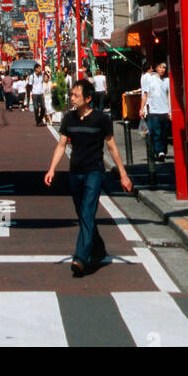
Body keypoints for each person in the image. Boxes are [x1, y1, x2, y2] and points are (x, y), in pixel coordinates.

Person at [44, 77, 133, 276]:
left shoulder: (101, 119)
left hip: (94, 172)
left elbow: (111, 147)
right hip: (75, 172)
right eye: (72, 95)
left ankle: (80, 258)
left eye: (76, 95)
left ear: (88, 98)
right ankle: (99, 249)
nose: (72, 98)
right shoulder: (69, 118)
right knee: (83, 214)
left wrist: (123, 174)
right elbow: (61, 145)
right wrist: (52, 169)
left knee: (87, 212)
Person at [140, 61, 171, 161]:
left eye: (164, 68)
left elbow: (169, 95)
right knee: (157, 132)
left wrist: (170, 110)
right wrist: (142, 108)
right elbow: (145, 95)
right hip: (154, 111)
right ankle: (159, 152)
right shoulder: (151, 80)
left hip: (165, 110)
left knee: (164, 133)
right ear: (156, 68)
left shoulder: (167, 81)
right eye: (161, 67)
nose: (162, 70)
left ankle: (163, 151)